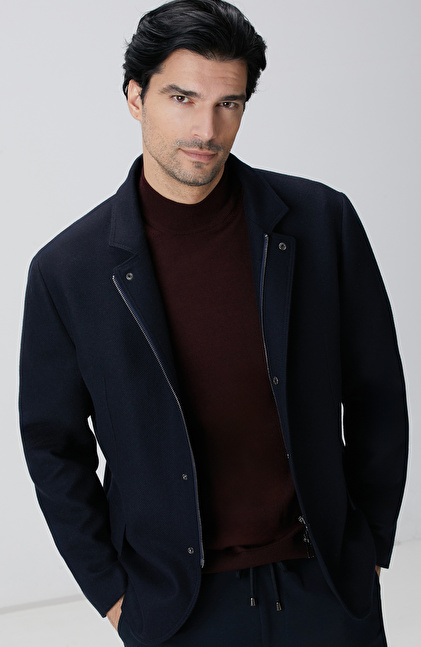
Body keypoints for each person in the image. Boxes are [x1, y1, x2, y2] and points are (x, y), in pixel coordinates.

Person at [19, 1, 408, 645]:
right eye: (183, 98)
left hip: (326, 586)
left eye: (229, 103)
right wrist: (113, 595)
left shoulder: (321, 222)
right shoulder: (68, 270)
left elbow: (378, 393)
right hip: (179, 607)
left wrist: (368, 545)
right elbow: (53, 445)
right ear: (135, 97)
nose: (207, 128)